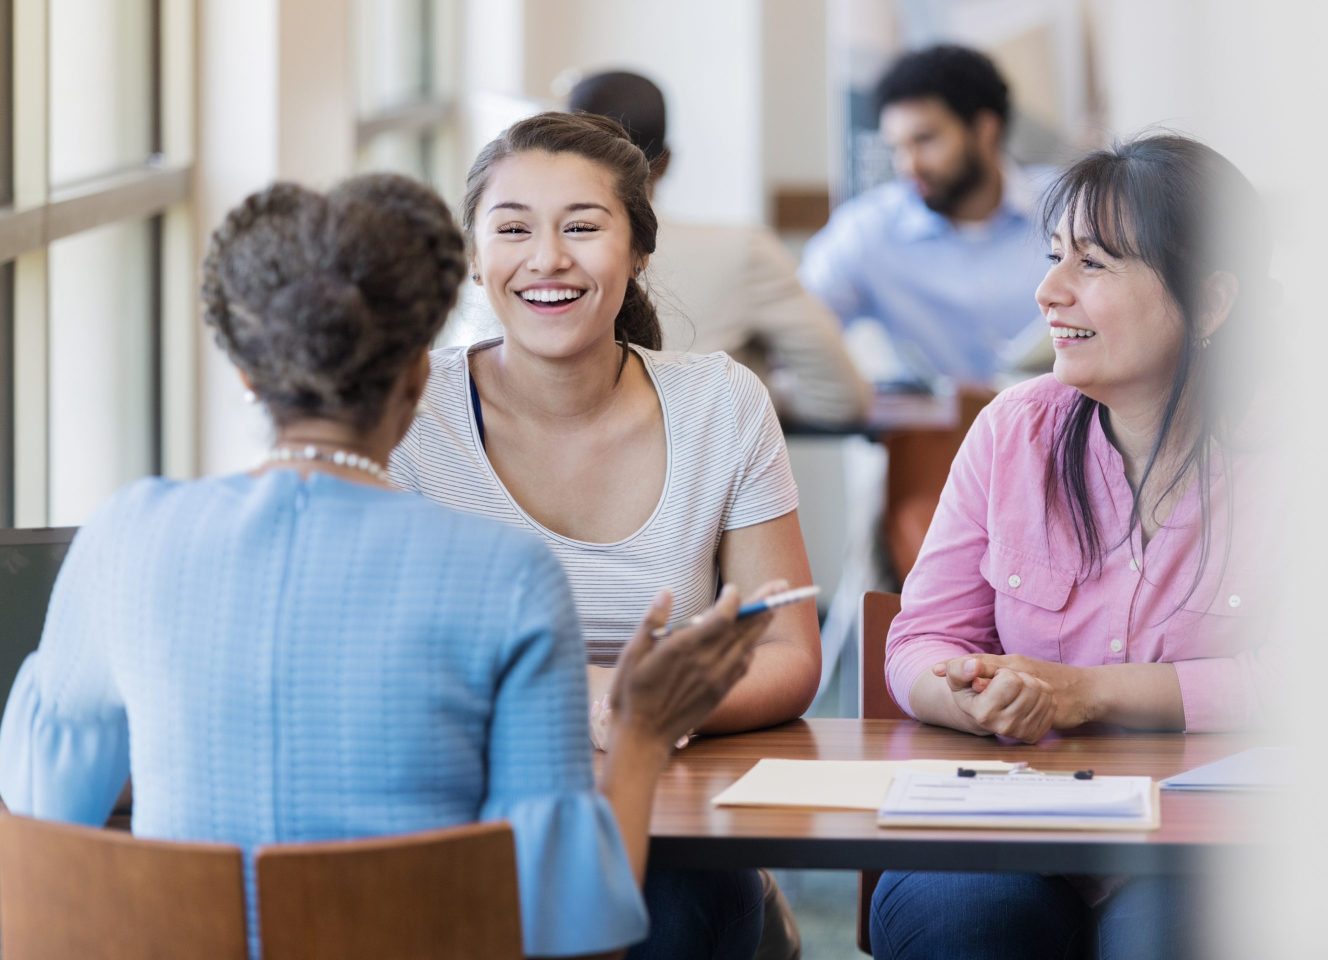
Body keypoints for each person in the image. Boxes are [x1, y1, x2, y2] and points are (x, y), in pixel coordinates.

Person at [0, 173, 782, 960]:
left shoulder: (125, 536)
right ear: (419, 378)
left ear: (246, 375)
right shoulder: (505, 576)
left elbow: (40, 813)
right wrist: (642, 733)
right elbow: (571, 937)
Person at [389, 111, 822, 960]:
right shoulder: (408, 410)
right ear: (475, 258)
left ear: (639, 252)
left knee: (680, 909)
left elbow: (790, 651)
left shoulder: (720, 403)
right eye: (512, 229)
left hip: (677, 814)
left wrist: (647, 718)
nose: (548, 259)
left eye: (583, 228)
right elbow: (390, 650)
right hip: (464, 798)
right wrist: (598, 699)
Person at [870, 135, 1280, 959]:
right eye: (1055, 257)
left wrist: (1086, 692)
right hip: (1008, 819)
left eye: (1091, 266)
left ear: (1211, 299)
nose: (1048, 292)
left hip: (1208, 842)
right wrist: (968, 692)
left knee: (1164, 935)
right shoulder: (1013, 430)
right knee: (963, 922)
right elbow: (920, 641)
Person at [566, 69, 870, 427]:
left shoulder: (525, 262)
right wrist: (740, 403)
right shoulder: (742, 252)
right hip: (702, 477)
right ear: (666, 161)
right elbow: (839, 397)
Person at [800, 44, 1050, 386]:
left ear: (984, 129)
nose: (909, 166)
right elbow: (798, 326)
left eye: (925, 140)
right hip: (931, 437)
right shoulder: (869, 229)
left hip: (1066, 431)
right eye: (897, 148)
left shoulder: (1073, 209)